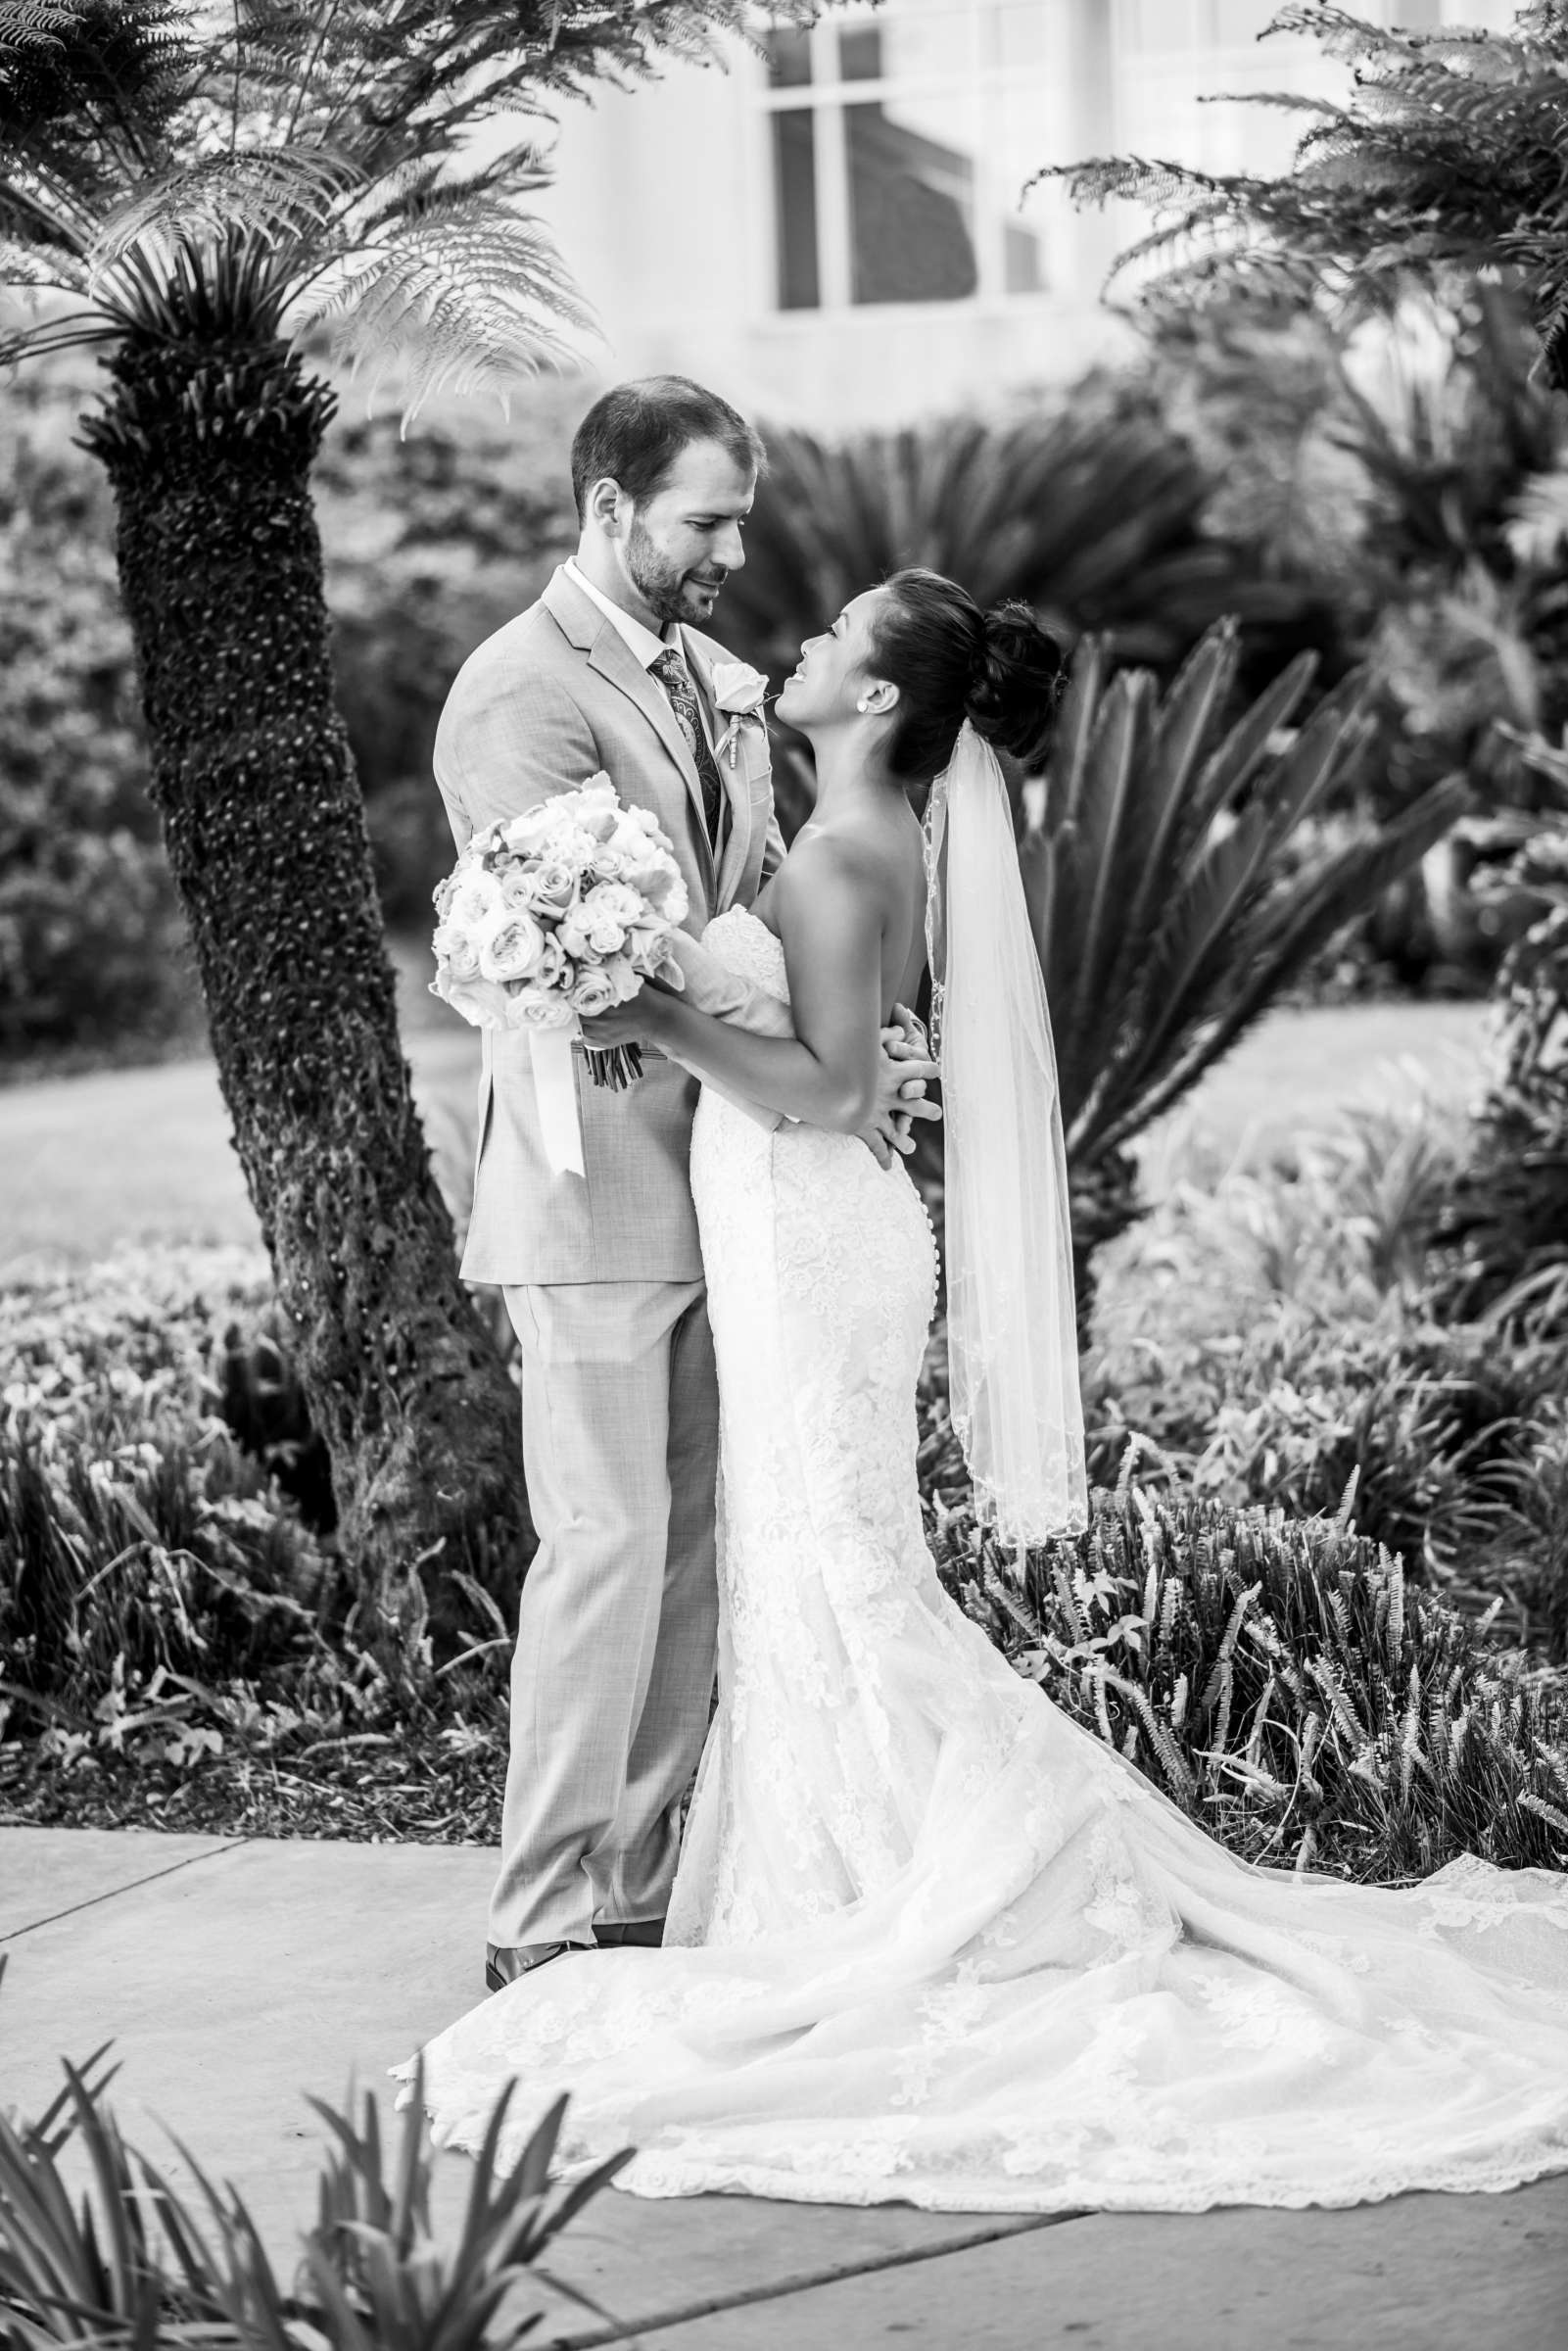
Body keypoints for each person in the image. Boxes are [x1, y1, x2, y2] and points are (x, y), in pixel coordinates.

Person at [405, 569, 1568, 2216]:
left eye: (833, 642)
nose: (797, 646)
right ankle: (841, 1869)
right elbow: (874, 1058)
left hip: (807, 1230)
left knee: (835, 1572)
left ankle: (903, 1874)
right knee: (816, 1568)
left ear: (877, 702)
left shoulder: (832, 851)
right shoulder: (868, 836)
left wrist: (644, 1001)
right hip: (809, 1235)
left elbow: (820, 1090)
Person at [431, 377, 938, 1993]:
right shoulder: (520, 692)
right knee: (601, 1544)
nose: (736, 548)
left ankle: (640, 1890)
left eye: (739, 516)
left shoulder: (717, 686)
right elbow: (569, 952)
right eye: (706, 519)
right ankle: (538, 1914)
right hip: (595, 1194)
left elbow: (753, 911)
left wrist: (864, 1039)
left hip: (746, 1175)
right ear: (609, 509)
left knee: (694, 1548)